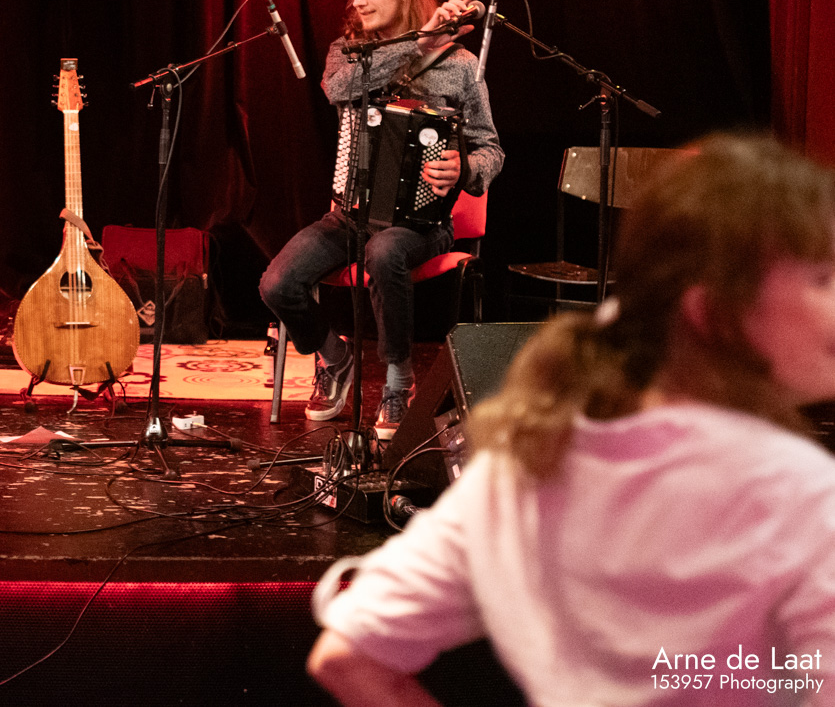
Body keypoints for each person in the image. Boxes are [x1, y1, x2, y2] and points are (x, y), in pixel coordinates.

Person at [308, 133, 835, 707]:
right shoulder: (800, 496)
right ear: (710, 312)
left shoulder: (525, 465)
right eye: (823, 280)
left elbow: (347, 656)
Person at [260, 0, 502, 435]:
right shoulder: (350, 54)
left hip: (421, 224)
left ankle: (398, 382)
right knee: (277, 284)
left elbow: (491, 149)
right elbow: (337, 90)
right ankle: (336, 358)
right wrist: (417, 43)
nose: (358, 1)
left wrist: (464, 169)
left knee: (386, 250)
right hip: (349, 215)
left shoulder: (459, 66)